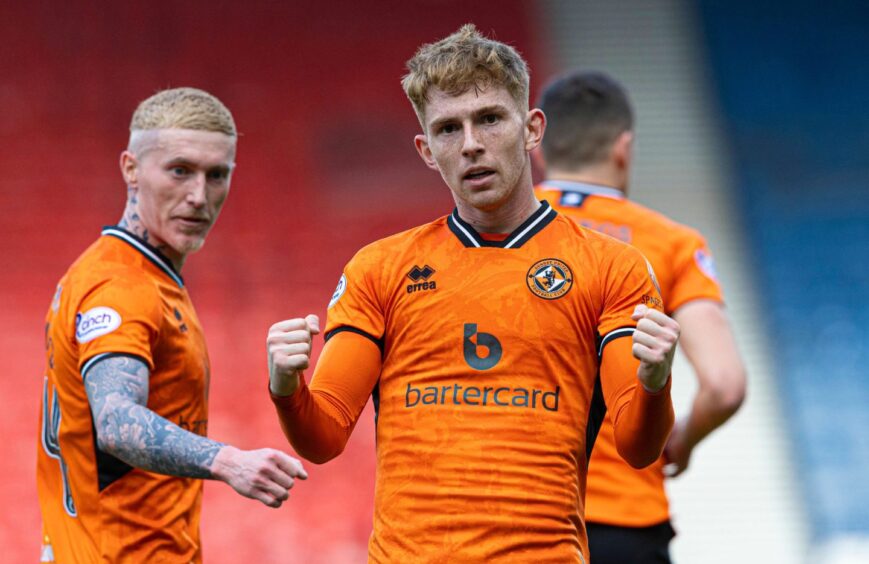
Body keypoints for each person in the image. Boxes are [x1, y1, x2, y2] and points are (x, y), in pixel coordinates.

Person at [267, 26, 679, 562]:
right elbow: (322, 436)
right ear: (426, 150)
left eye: (489, 118)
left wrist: (654, 382)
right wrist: (284, 386)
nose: (470, 145)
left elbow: (638, 446)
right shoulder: (380, 268)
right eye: (447, 129)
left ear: (532, 129)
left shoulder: (612, 266)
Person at [37, 87, 308, 563]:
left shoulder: (135, 273)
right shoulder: (121, 286)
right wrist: (230, 462)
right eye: (180, 170)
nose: (199, 196)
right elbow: (116, 423)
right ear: (131, 169)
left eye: (217, 174)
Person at [534, 70, 747, 562]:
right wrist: (681, 440)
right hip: (625, 522)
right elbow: (724, 383)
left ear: (538, 146)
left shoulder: (498, 237)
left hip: (518, 516)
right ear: (623, 147)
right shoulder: (672, 243)